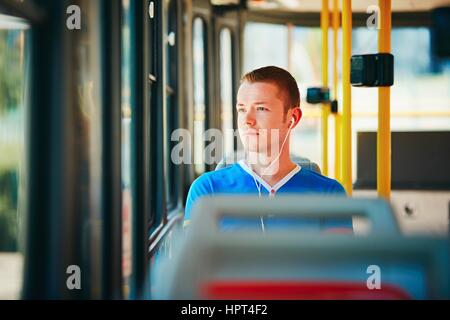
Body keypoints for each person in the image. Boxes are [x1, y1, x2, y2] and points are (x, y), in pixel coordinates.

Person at [184, 66, 352, 232]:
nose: (247, 120)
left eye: (261, 108)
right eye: (241, 109)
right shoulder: (207, 190)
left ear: (292, 118)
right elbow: (193, 258)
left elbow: (340, 259)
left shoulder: (330, 194)